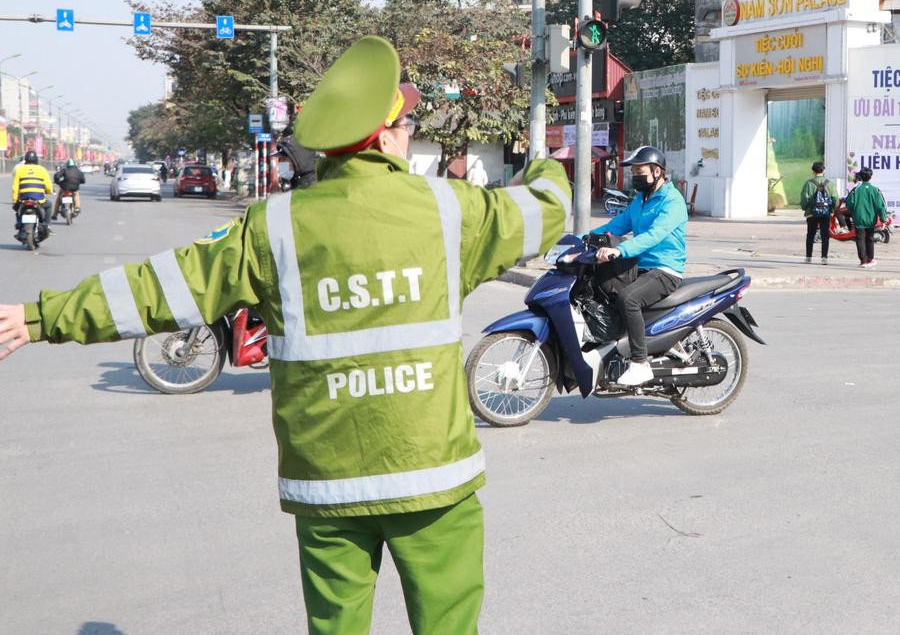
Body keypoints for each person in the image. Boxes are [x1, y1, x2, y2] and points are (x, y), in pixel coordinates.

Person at [0, 36, 571, 634]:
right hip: (430, 479)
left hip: (325, 482)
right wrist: (543, 157)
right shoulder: (450, 211)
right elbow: (547, 207)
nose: (409, 133)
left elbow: (158, 287)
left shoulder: (271, 225)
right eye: (406, 122)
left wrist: (42, 317)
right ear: (385, 136)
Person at [590, 145, 688, 387]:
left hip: (665, 270)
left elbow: (654, 235)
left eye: (639, 172)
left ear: (657, 172)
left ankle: (640, 363)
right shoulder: (640, 200)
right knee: (601, 282)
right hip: (641, 267)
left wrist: (619, 250)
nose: (635, 177)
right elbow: (617, 225)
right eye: (632, 172)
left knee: (628, 299)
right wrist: (582, 238)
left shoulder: (672, 201)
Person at [844, 167, 887, 268]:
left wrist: (854, 211)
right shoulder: (875, 190)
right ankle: (870, 259)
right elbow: (880, 206)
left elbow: (849, 204)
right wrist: (883, 219)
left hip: (859, 219)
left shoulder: (856, 190)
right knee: (870, 239)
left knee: (860, 239)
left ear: (861, 177)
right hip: (871, 220)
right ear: (870, 177)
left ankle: (863, 261)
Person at [798, 161, 838, 264]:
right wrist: (832, 209)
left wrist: (805, 208)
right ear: (823, 171)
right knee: (825, 236)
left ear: (813, 171)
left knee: (810, 235)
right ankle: (824, 258)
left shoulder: (808, 184)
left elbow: (804, 199)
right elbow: (835, 199)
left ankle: (808, 257)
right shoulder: (830, 184)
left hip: (812, 213)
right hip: (825, 213)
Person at [11, 150, 53, 239]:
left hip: (24, 199)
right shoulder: (42, 170)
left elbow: (15, 187)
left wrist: (15, 201)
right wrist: (49, 191)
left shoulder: (19, 169)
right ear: (36, 160)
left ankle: (19, 224)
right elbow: (49, 186)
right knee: (49, 205)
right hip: (39, 200)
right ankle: (47, 225)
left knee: (17, 209)